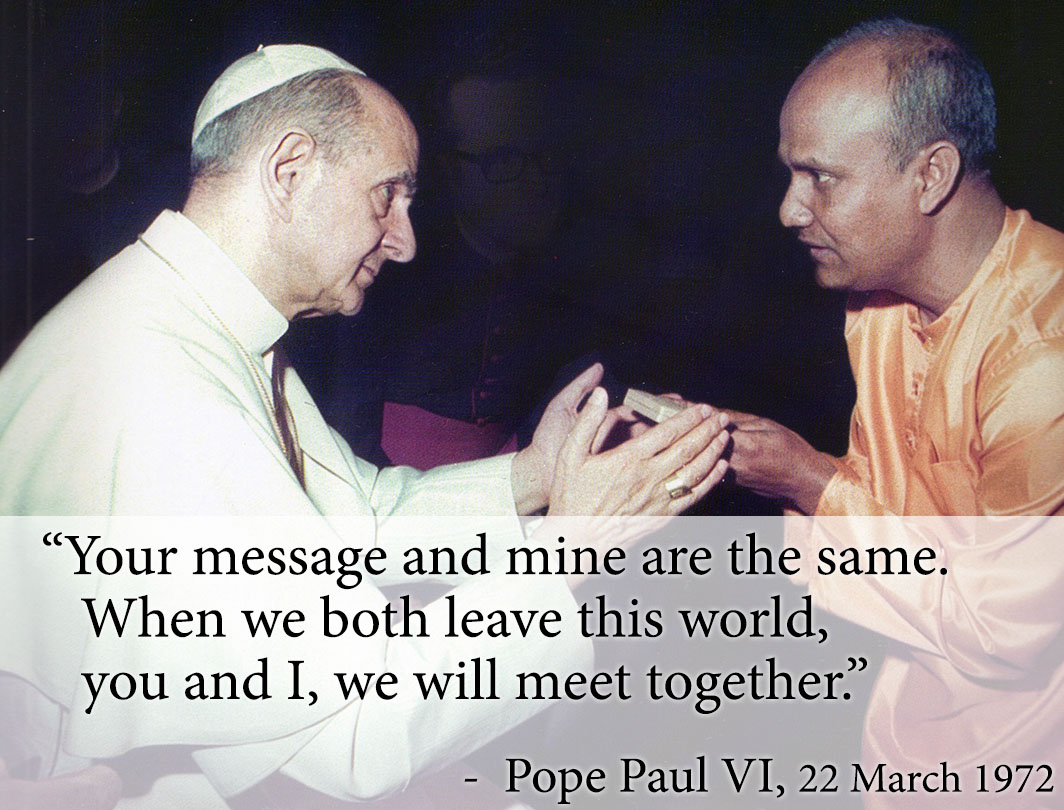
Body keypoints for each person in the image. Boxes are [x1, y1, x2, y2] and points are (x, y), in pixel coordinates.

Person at [0, 45, 731, 808]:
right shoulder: (166, 391)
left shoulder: (192, 319)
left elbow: (357, 522)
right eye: (387, 196)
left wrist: (534, 476)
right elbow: (348, 739)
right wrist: (568, 553)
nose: (406, 242)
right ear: (289, 171)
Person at [721, 18, 1064, 807]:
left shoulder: (1043, 356)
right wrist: (734, 446)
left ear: (931, 175)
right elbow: (893, 512)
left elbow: (1001, 634)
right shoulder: (880, 304)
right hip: (906, 738)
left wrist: (808, 482)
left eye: (821, 177)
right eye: (790, 174)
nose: (789, 210)